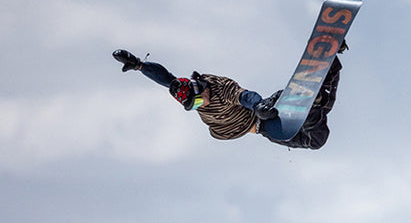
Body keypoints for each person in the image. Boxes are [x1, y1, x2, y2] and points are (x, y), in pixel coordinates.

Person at [112, 48, 345, 150]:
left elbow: (244, 96)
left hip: (263, 114)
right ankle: (326, 71)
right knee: (321, 120)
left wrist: (260, 106)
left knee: (316, 139)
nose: (201, 106)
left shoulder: (218, 88)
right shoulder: (186, 90)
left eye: (199, 101)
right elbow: (164, 78)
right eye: (194, 107)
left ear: (200, 88)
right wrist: (140, 65)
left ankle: (313, 105)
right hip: (260, 127)